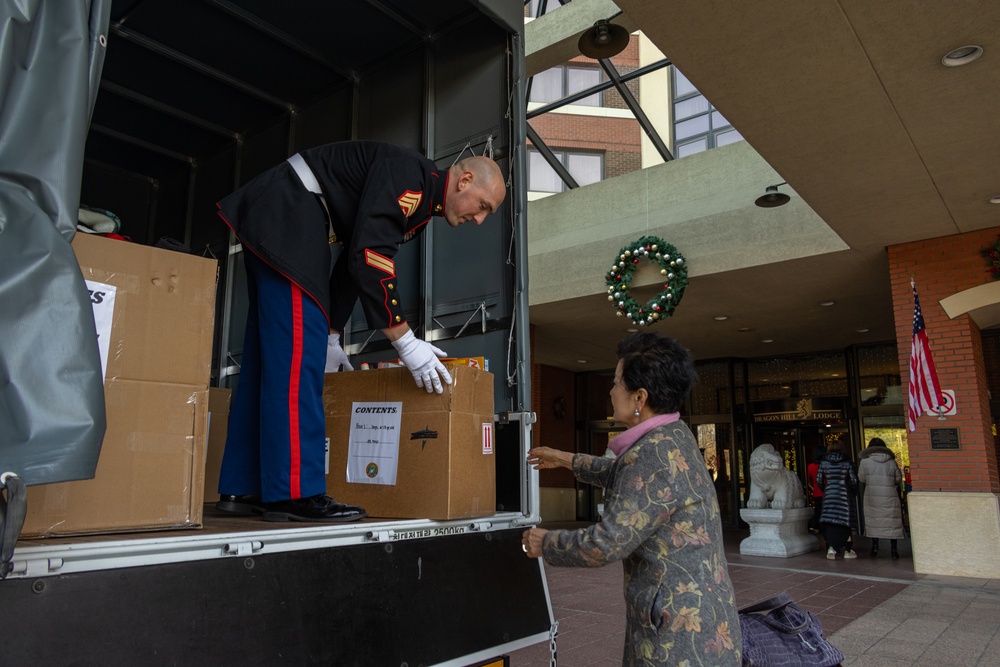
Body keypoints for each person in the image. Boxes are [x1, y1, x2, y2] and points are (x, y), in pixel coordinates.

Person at [214, 141, 506, 522]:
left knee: (268, 359)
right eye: (483, 206)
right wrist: (404, 340)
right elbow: (371, 259)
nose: (480, 219)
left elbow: (354, 263)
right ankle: (294, 493)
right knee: (298, 359)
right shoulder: (411, 178)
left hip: (281, 213)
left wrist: (332, 334)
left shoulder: (416, 200)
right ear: (465, 180)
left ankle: (243, 486)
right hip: (292, 212)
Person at [521, 333, 741, 666]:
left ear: (639, 396)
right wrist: (566, 459)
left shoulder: (650, 454)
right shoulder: (674, 436)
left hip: (678, 634)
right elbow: (633, 481)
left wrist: (544, 542)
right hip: (707, 618)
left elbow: (605, 544)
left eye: (616, 383)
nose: (610, 392)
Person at [858, 438, 905, 559]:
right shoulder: (891, 462)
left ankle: (874, 547)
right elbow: (898, 478)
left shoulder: (865, 462)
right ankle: (894, 550)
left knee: (874, 522)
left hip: (872, 495)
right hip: (889, 495)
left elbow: (861, 478)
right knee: (891, 523)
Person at [815, 440, 859, 560]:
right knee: (845, 523)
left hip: (829, 494)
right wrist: (852, 492)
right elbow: (854, 480)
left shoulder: (823, 462)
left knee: (831, 523)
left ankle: (831, 548)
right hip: (844, 495)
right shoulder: (847, 462)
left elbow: (818, 479)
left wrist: (826, 490)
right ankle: (848, 550)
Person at [806, 444, 826, 538]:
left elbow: (809, 479)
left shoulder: (810, 467)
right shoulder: (826, 465)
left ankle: (817, 526)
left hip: (817, 492)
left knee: (818, 510)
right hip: (828, 491)